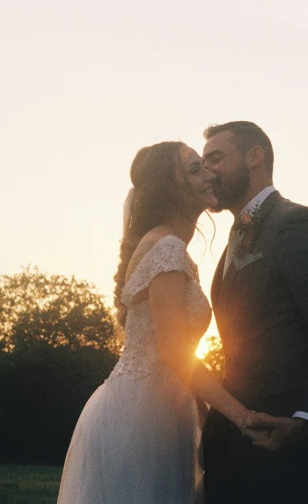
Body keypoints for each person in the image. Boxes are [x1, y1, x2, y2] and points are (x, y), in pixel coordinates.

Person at [57, 141, 265, 504]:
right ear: (170, 188)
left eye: (206, 164)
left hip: (162, 413)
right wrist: (241, 416)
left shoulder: (171, 248)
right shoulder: (166, 248)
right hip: (137, 420)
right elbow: (173, 352)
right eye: (195, 169)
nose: (209, 173)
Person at [201, 121, 308, 504]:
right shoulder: (234, 239)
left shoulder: (298, 223)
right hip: (243, 441)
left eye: (216, 158)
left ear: (254, 156)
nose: (207, 171)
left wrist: (305, 420)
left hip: (296, 449)